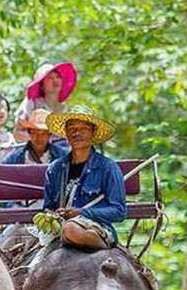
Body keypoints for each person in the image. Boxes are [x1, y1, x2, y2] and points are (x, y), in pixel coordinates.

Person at [41, 107, 125, 250]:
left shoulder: (107, 167)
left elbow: (119, 211)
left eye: (83, 128)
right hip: (60, 227)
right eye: (72, 128)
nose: (77, 133)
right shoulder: (55, 169)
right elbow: (48, 207)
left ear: (93, 133)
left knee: (70, 230)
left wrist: (81, 213)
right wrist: (52, 216)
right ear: (66, 134)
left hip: (96, 228)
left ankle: (104, 246)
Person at [13, 61, 77, 142]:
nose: (55, 80)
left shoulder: (67, 107)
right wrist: (40, 140)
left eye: (58, 77)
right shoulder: (32, 103)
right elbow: (18, 133)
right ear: (42, 85)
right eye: (50, 78)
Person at [5, 109, 69, 164]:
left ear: (50, 135)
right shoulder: (15, 158)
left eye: (43, 133)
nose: (39, 137)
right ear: (29, 133)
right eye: (35, 133)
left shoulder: (64, 155)